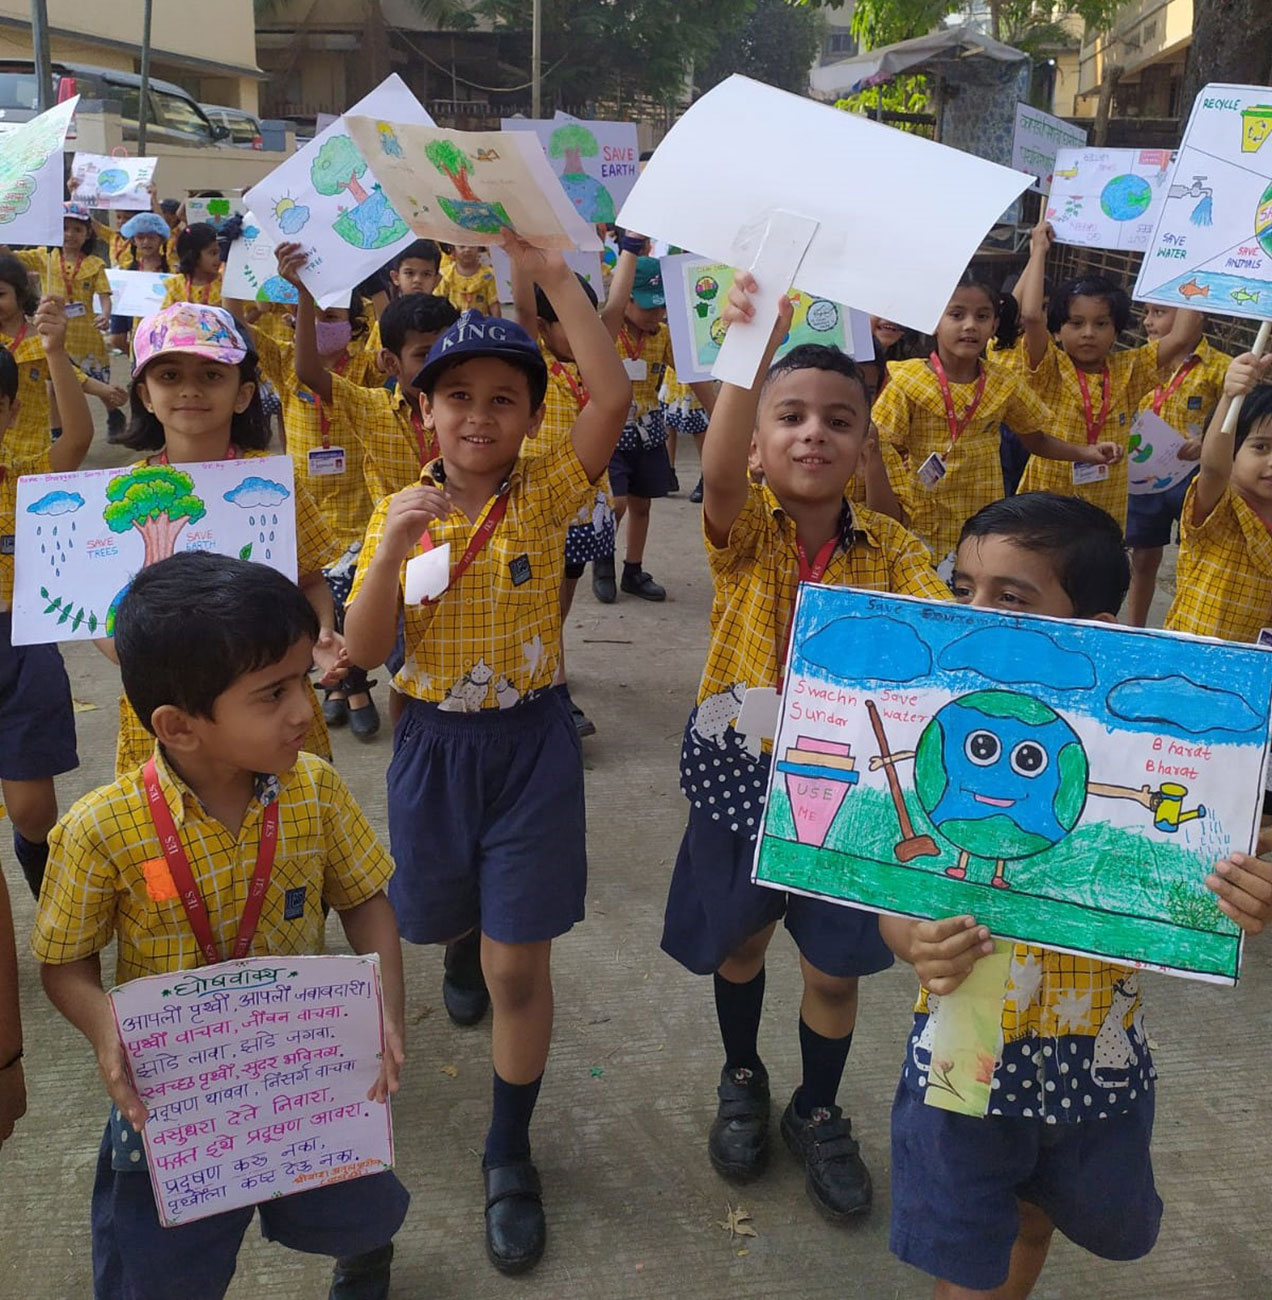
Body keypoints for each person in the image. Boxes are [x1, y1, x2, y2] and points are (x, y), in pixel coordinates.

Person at [882, 489, 1272, 1298]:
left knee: (1039, 1216)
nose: (975, 616)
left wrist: (1241, 898)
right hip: (963, 1049)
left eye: (1011, 598)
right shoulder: (942, 733)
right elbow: (898, 889)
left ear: (1092, 627)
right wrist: (911, 939)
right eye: (963, 589)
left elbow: (1198, 898)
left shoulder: (1139, 747)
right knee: (962, 1246)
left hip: (1094, 1056)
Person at [342, 240, 630, 1274]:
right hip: (431, 749)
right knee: (441, 920)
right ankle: (465, 939)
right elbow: (365, 651)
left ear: (531, 415)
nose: (478, 416)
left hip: (531, 746)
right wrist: (388, 551)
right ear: (422, 410)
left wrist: (551, 274)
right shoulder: (399, 512)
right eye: (455, 396)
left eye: (503, 399)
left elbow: (612, 393)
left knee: (519, 965)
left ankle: (508, 1152)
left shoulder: (547, 490)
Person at [33, 551, 409, 1300]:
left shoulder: (316, 792)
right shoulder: (101, 831)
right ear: (178, 726)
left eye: (302, 679)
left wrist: (385, 1011)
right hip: (175, 1096)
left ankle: (366, 1256)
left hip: (307, 1073)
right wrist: (106, 1031)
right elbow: (64, 963)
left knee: (355, 1201)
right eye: (273, 693)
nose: (304, 709)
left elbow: (365, 901)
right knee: (159, 1265)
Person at [661, 275, 949, 1223]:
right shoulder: (743, 531)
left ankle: (816, 1108)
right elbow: (719, 477)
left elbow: (951, 641)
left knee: (834, 968)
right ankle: (742, 1073)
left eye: (838, 419)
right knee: (739, 942)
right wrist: (752, 346)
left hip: (854, 793)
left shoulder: (895, 553)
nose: (813, 433)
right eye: (789, 417)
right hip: (740, 780)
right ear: (757, 444)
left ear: (865, 443)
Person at [106, 303, 346, 776]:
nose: (190, 389)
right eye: (169, 376)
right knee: (170, 814)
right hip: (170, 704)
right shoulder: (117, 494)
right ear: (146, 396)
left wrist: (320, 632)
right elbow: (102, 614)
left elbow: (309, 580)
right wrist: (136, 652)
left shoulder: (276, 482)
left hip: (273, 701)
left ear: (243, 394)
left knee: (288, 810)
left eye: (212, 375)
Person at [872, 275, 1120, 578]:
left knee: (972, 585)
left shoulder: (1003, 383)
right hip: (920, 515)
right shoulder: (906, 381)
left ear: (993, 325)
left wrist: (1087, 452)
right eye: (956, 315)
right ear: (934, 321)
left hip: (981, 514)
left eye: (982, 316)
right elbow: (882, 450)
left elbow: (1036, 440)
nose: (970, 326)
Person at [243, 282, 380, 736]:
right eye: (315, 315)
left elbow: (390, 334)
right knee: (315, 603)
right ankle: (336, 686)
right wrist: (267, 297)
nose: (323, 324)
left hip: (357, 502)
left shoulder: (365, 367)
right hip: (304, 506)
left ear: (354, 326)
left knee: (354, 600)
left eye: (333, 317)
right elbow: (240, 329)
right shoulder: (286, 360)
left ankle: (354, 687)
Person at [1015, 221, 1203, 529]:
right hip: (1048, 502)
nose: (1089, 333)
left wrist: (1190, 259)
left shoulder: (1130, 369)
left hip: (1106, 505)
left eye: (1101, 324)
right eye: (1076, 323)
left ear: (1116, 330)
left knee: (1100, 558)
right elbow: (1032, 316)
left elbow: (1182, 335)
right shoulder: (1049, 367)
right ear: (1057, 331)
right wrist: (1039, 250)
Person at [2, 296, 94, 904]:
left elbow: (80, 436)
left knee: (35, 812)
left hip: (22, 648)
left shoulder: (26, 480)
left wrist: (56, 352)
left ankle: (57, 918)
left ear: (11, 411)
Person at [510, 258, 624, 739]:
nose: (585, 329)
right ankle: (553, 689)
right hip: (544, 504)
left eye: (590, 319)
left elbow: (615, 308)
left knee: (561, 597)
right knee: (540, 593)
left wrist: (631, 249)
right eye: (570, 321)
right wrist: (518, 252)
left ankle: (549, 658)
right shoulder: (534, 361)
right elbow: (522, 309)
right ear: (542, 326)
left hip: (585, 507)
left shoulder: (590, 364)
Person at [595, 252, 715, 604]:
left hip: (648, 433)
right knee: (615, 502)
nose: (655, 314)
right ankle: (603, 563)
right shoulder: (609, 333)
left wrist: (719, 412)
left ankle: (633, 570)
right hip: (610, 434)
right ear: (626, 300)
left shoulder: (663, 337)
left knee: (642, 504)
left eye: (661, 307)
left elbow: (692, 376)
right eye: (648, 306)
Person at [1124, 306, 1231, 627]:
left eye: (1159, 312)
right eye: (1147, 312)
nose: (1147, 321)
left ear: (1196, 316)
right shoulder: (1140, 363)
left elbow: (1233, 423)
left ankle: (1182, 625)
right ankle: (1135, 629)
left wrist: (1206, 443)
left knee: (1193, 558)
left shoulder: (1221, 369)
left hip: (1196, 478)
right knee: (1143, 557)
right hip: (1145, 476)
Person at [1164, 351, 1272, 644]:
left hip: (1253, 665)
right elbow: (1213, 468)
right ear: (1232, 451)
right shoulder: (1220, 505)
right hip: (1190, 657)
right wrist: (1229, 397)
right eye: (1261, 447)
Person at [11, 202, 126, 437]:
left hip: (86, 335)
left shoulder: (95, 264)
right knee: (54, 384)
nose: (70, 234)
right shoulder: (44, 256)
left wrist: (105, 314)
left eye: (77, 229)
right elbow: (11, 259)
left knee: (98, 382)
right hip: (54, 333)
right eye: (64, 228)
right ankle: (57, 431)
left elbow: (104, 295)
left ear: (87, 234)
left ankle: (114, 413)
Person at [160, 223, 223, 309]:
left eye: (220, 252)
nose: (219, 258)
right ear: (193, 255)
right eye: (213, 253)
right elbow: (166, 314)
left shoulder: (224, 284)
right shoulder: (176, 285)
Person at [439, 244, 501, 316]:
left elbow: (493, 303)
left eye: (472, 246)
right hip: (453, 321)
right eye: (462, 246)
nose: (467, 250)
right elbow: (438, 302)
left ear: (479, 249)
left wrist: (497, 322)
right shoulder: (446, 275)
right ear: (453, 250)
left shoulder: (488, 275)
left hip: (480, 321)